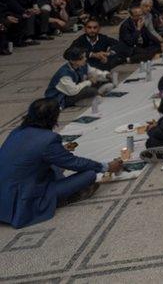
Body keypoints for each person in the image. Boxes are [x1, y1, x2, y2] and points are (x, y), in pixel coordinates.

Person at [0, 98, 123, 228]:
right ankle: (61, 199)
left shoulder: (16, 132)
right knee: (90, 174)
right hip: (23, 199)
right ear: (53, 118)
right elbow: (75, 163)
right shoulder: (48, 140)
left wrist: (59, 152)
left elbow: (28, 154)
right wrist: (107, 167)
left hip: (5, 192)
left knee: (54, 167)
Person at [44, 47, 111, 108]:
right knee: (90, 90)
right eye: (82, 58)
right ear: (73, 61)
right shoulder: (64, 74)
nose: (85, 59)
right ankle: (83, 101)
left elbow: (93, 71)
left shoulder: (82, 65)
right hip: (62, 97)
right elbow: (73, 91)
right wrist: (89, 82)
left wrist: (106, 75)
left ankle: (95, 95)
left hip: (76, 88)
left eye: (85, 57)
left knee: (104, 80)